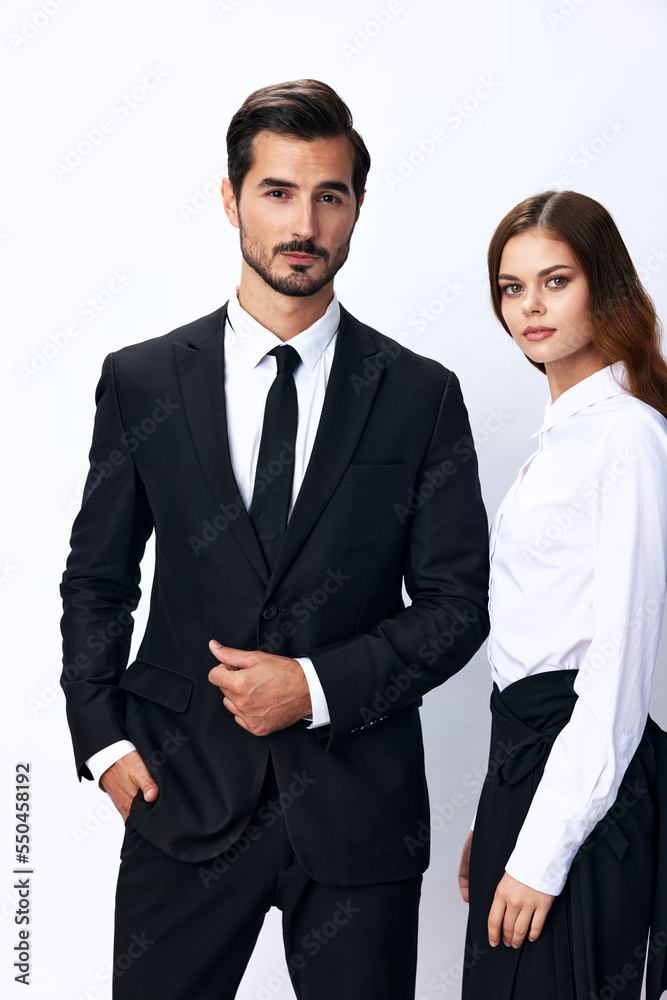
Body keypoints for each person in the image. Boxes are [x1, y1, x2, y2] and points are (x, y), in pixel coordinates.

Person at [60, 79, 490, 1000]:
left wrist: (314, 687)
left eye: (328, 195)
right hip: (177, 793)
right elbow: (97, 577)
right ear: (231, 198)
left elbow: (458, 608)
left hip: (357, 805)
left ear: (357, 209)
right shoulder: (140, 381)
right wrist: (99, 739)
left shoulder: (419, 394)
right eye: (278, 191)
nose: (304, 222)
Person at [458, 189, 667, 1000]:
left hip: (585, 789)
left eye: (555, 280)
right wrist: (503, 808)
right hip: (532, 774)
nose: (529, 307)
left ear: (602, 287)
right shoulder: (563, 441)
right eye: (511, 288)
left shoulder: (627, 436)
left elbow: (616, 665)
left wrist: (542, 848)